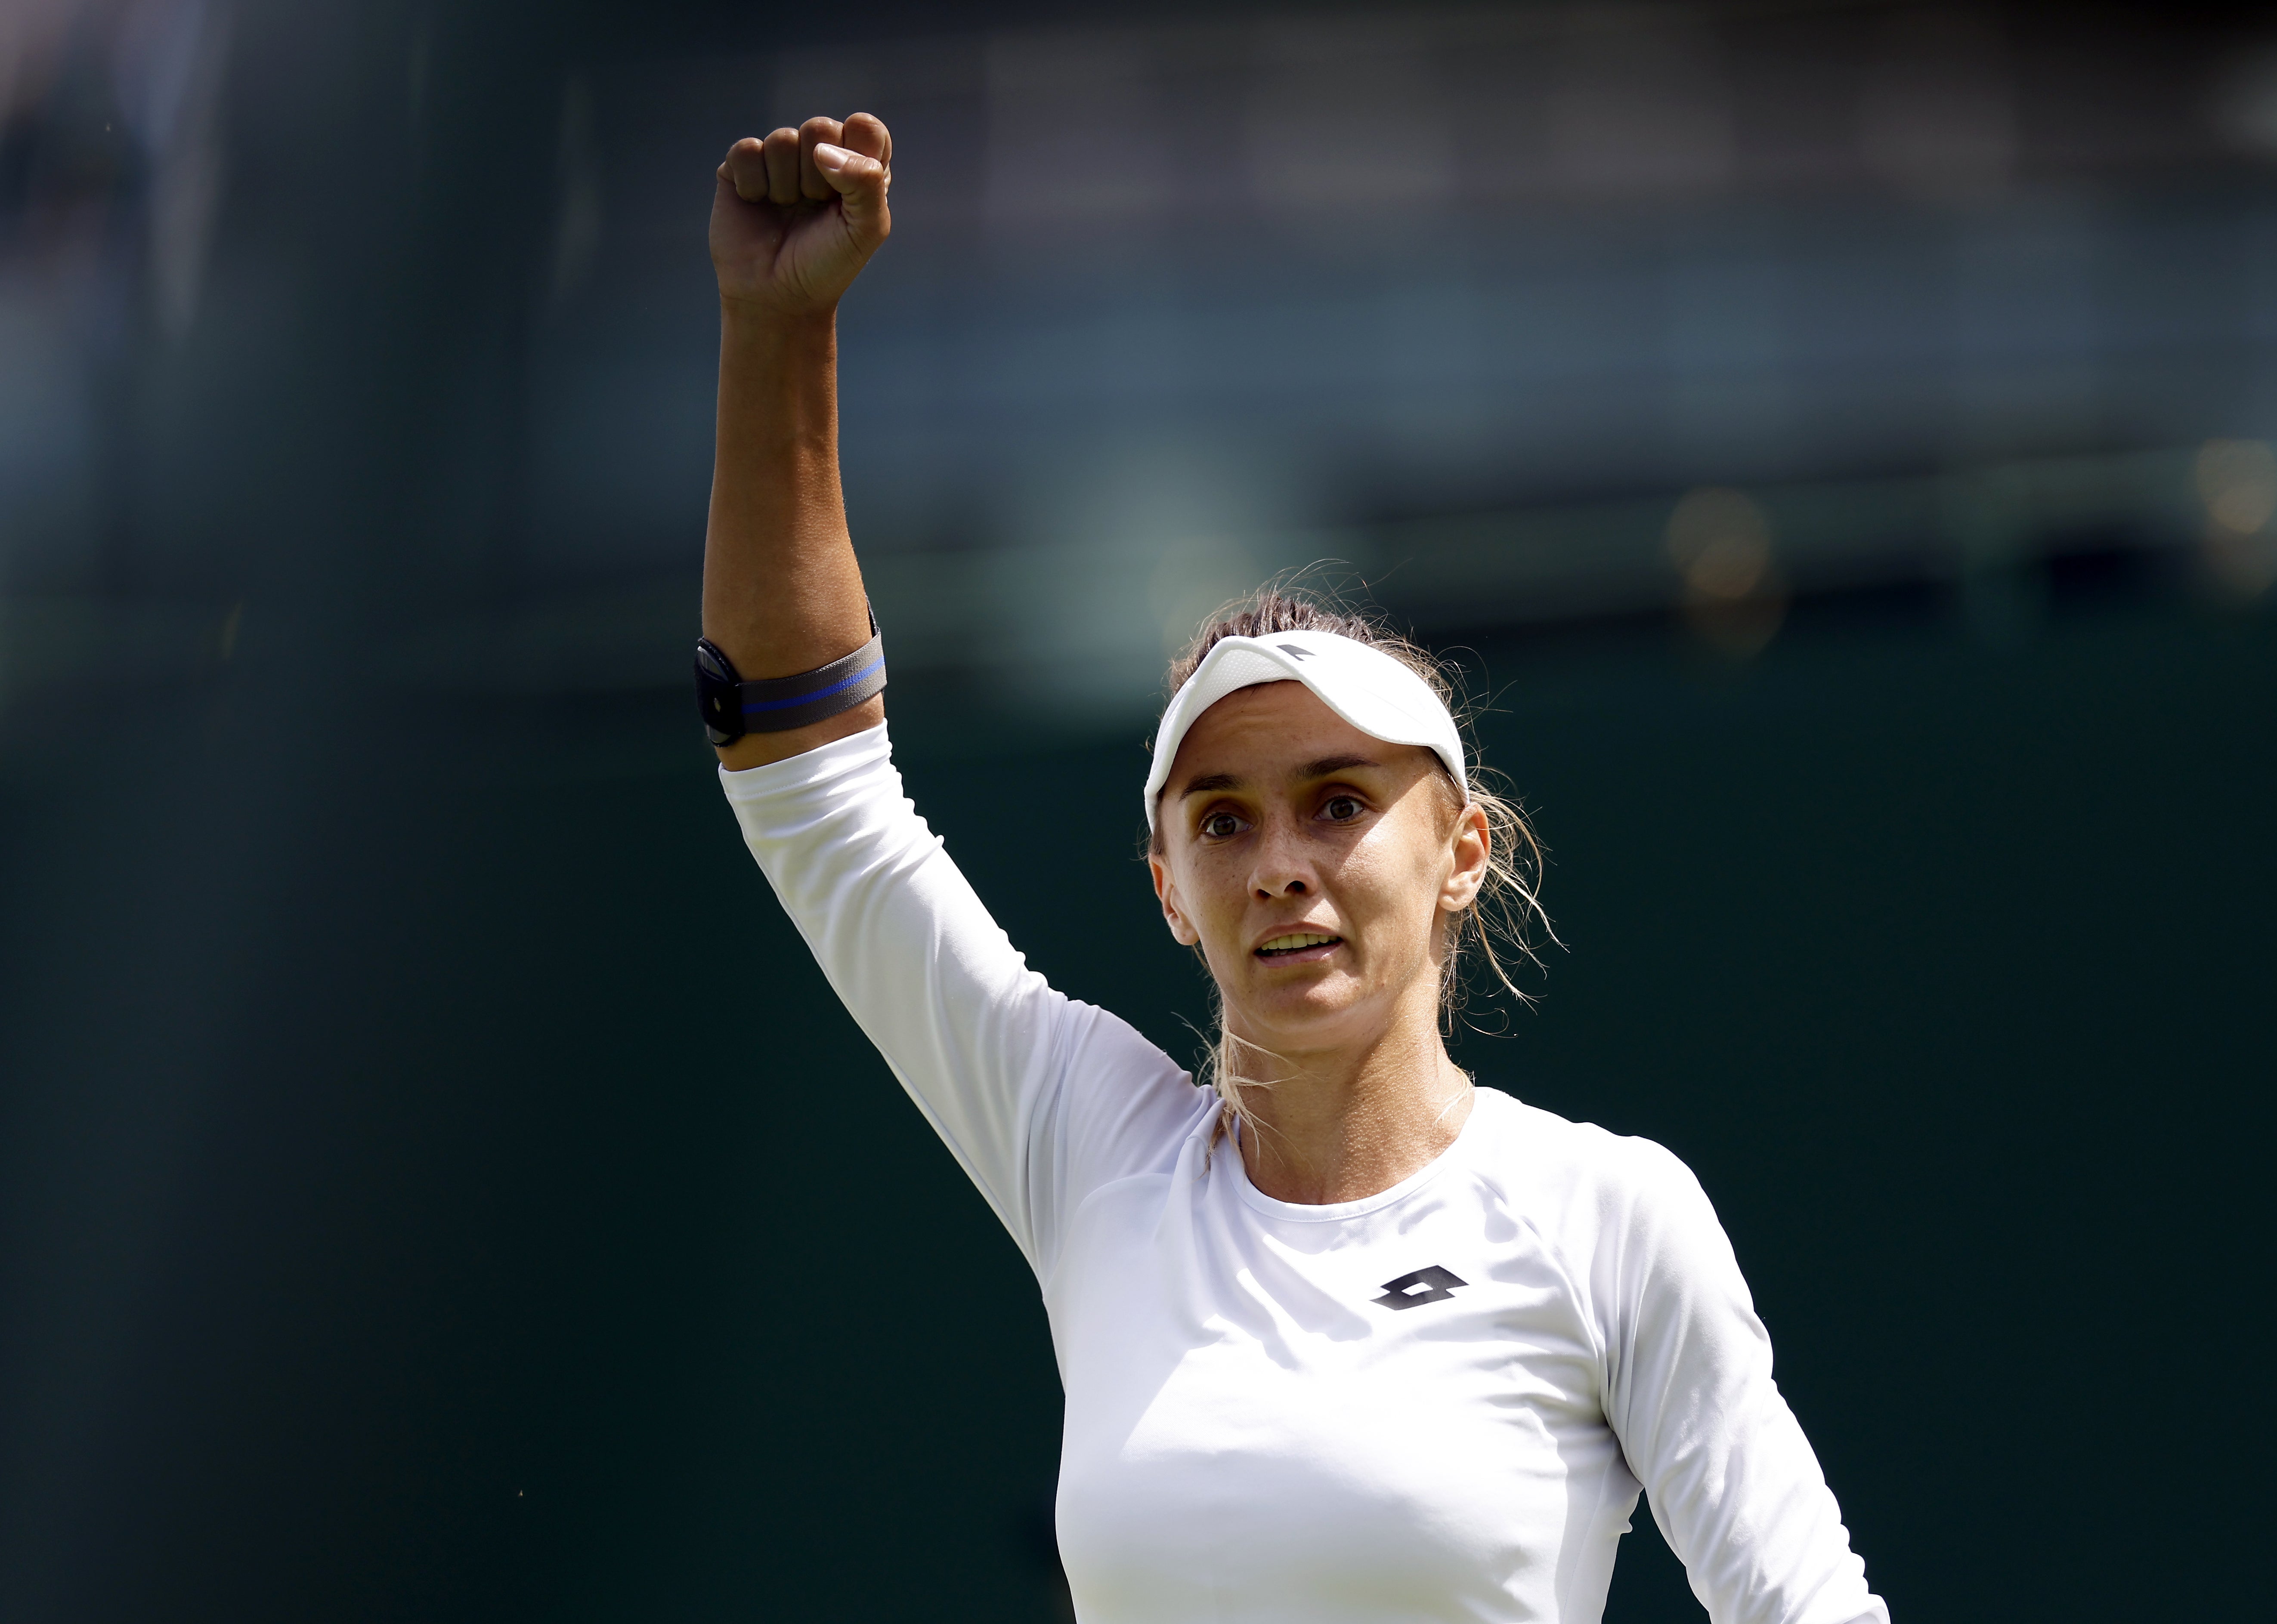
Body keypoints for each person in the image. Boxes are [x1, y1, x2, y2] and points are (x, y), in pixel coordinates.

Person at [700, 113, 1890, 1624]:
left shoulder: (1605, 1216)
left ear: (1461, 852)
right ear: (1165, 886)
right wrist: (779, 332)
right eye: (1222, 822)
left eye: (1337, 804)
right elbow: (809, 789)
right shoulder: (1094, 1150)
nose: (1279, 867)